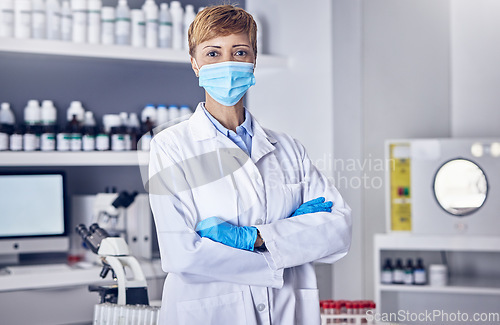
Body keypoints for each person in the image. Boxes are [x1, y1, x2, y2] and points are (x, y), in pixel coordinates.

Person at [148, 5, 352, 325]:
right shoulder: (170, 146)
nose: (227, 63)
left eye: (239, 51)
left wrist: (255, 238)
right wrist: (288, 244)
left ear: (254, 61)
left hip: (287, 310)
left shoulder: (288, 148)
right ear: (195, 64)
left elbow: (338, 231)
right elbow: (182, 254)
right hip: (210, 313)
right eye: (213, 53)